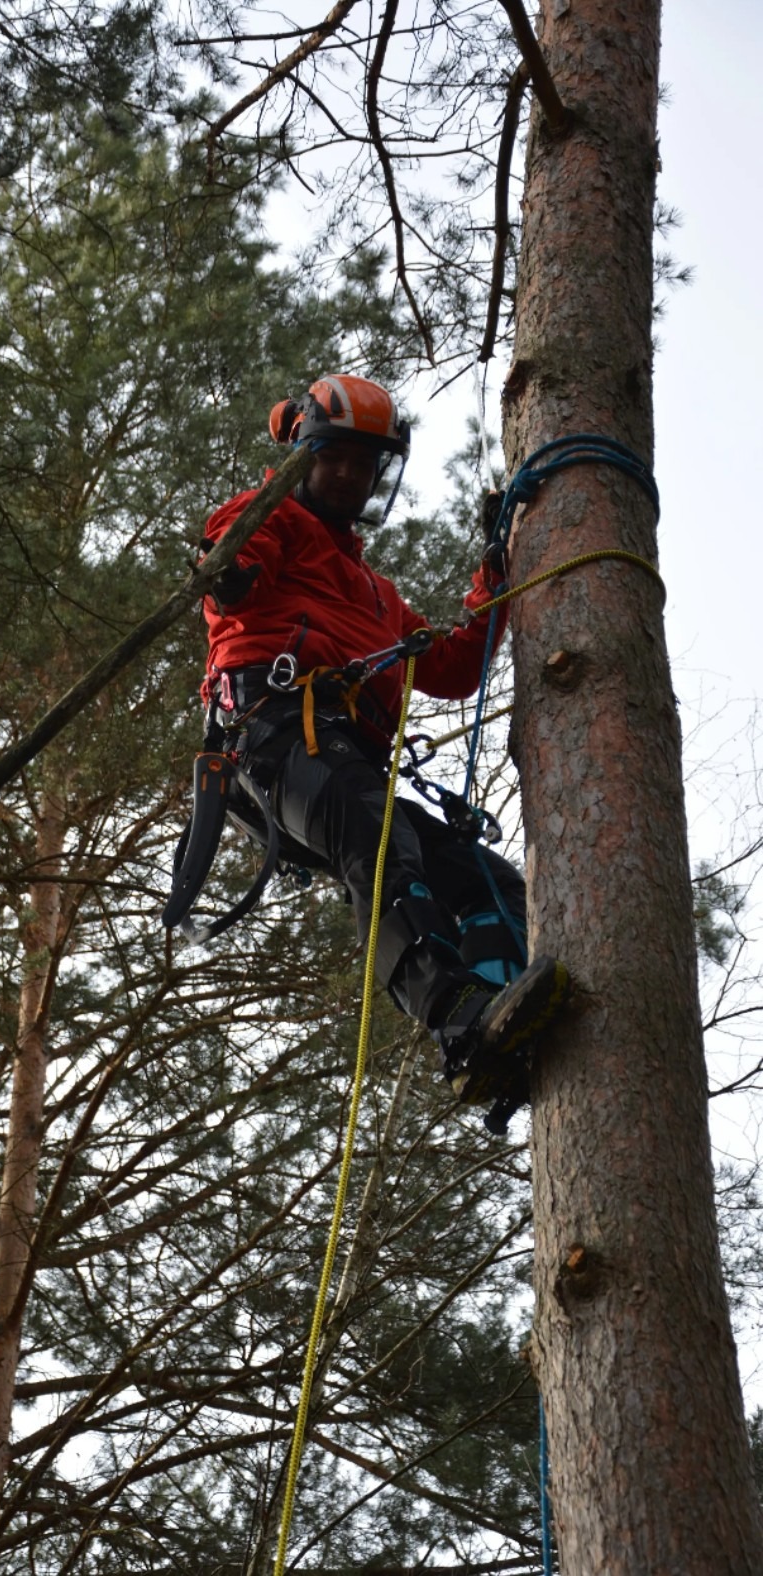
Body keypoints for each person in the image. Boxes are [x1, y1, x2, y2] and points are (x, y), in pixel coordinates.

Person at [198, 373, 566, 1127]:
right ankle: (456, 1014)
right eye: (336, 457)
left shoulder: (378, 595)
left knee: (491, 886)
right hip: (274, 732)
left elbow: (453, 669)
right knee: (378, 835)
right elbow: (231, 567)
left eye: (366, 464)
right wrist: (229, 571)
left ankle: (505, 1005)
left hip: (347, 755)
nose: (351, 476)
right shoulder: (271, 520)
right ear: (303, 453)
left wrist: (495, 575)